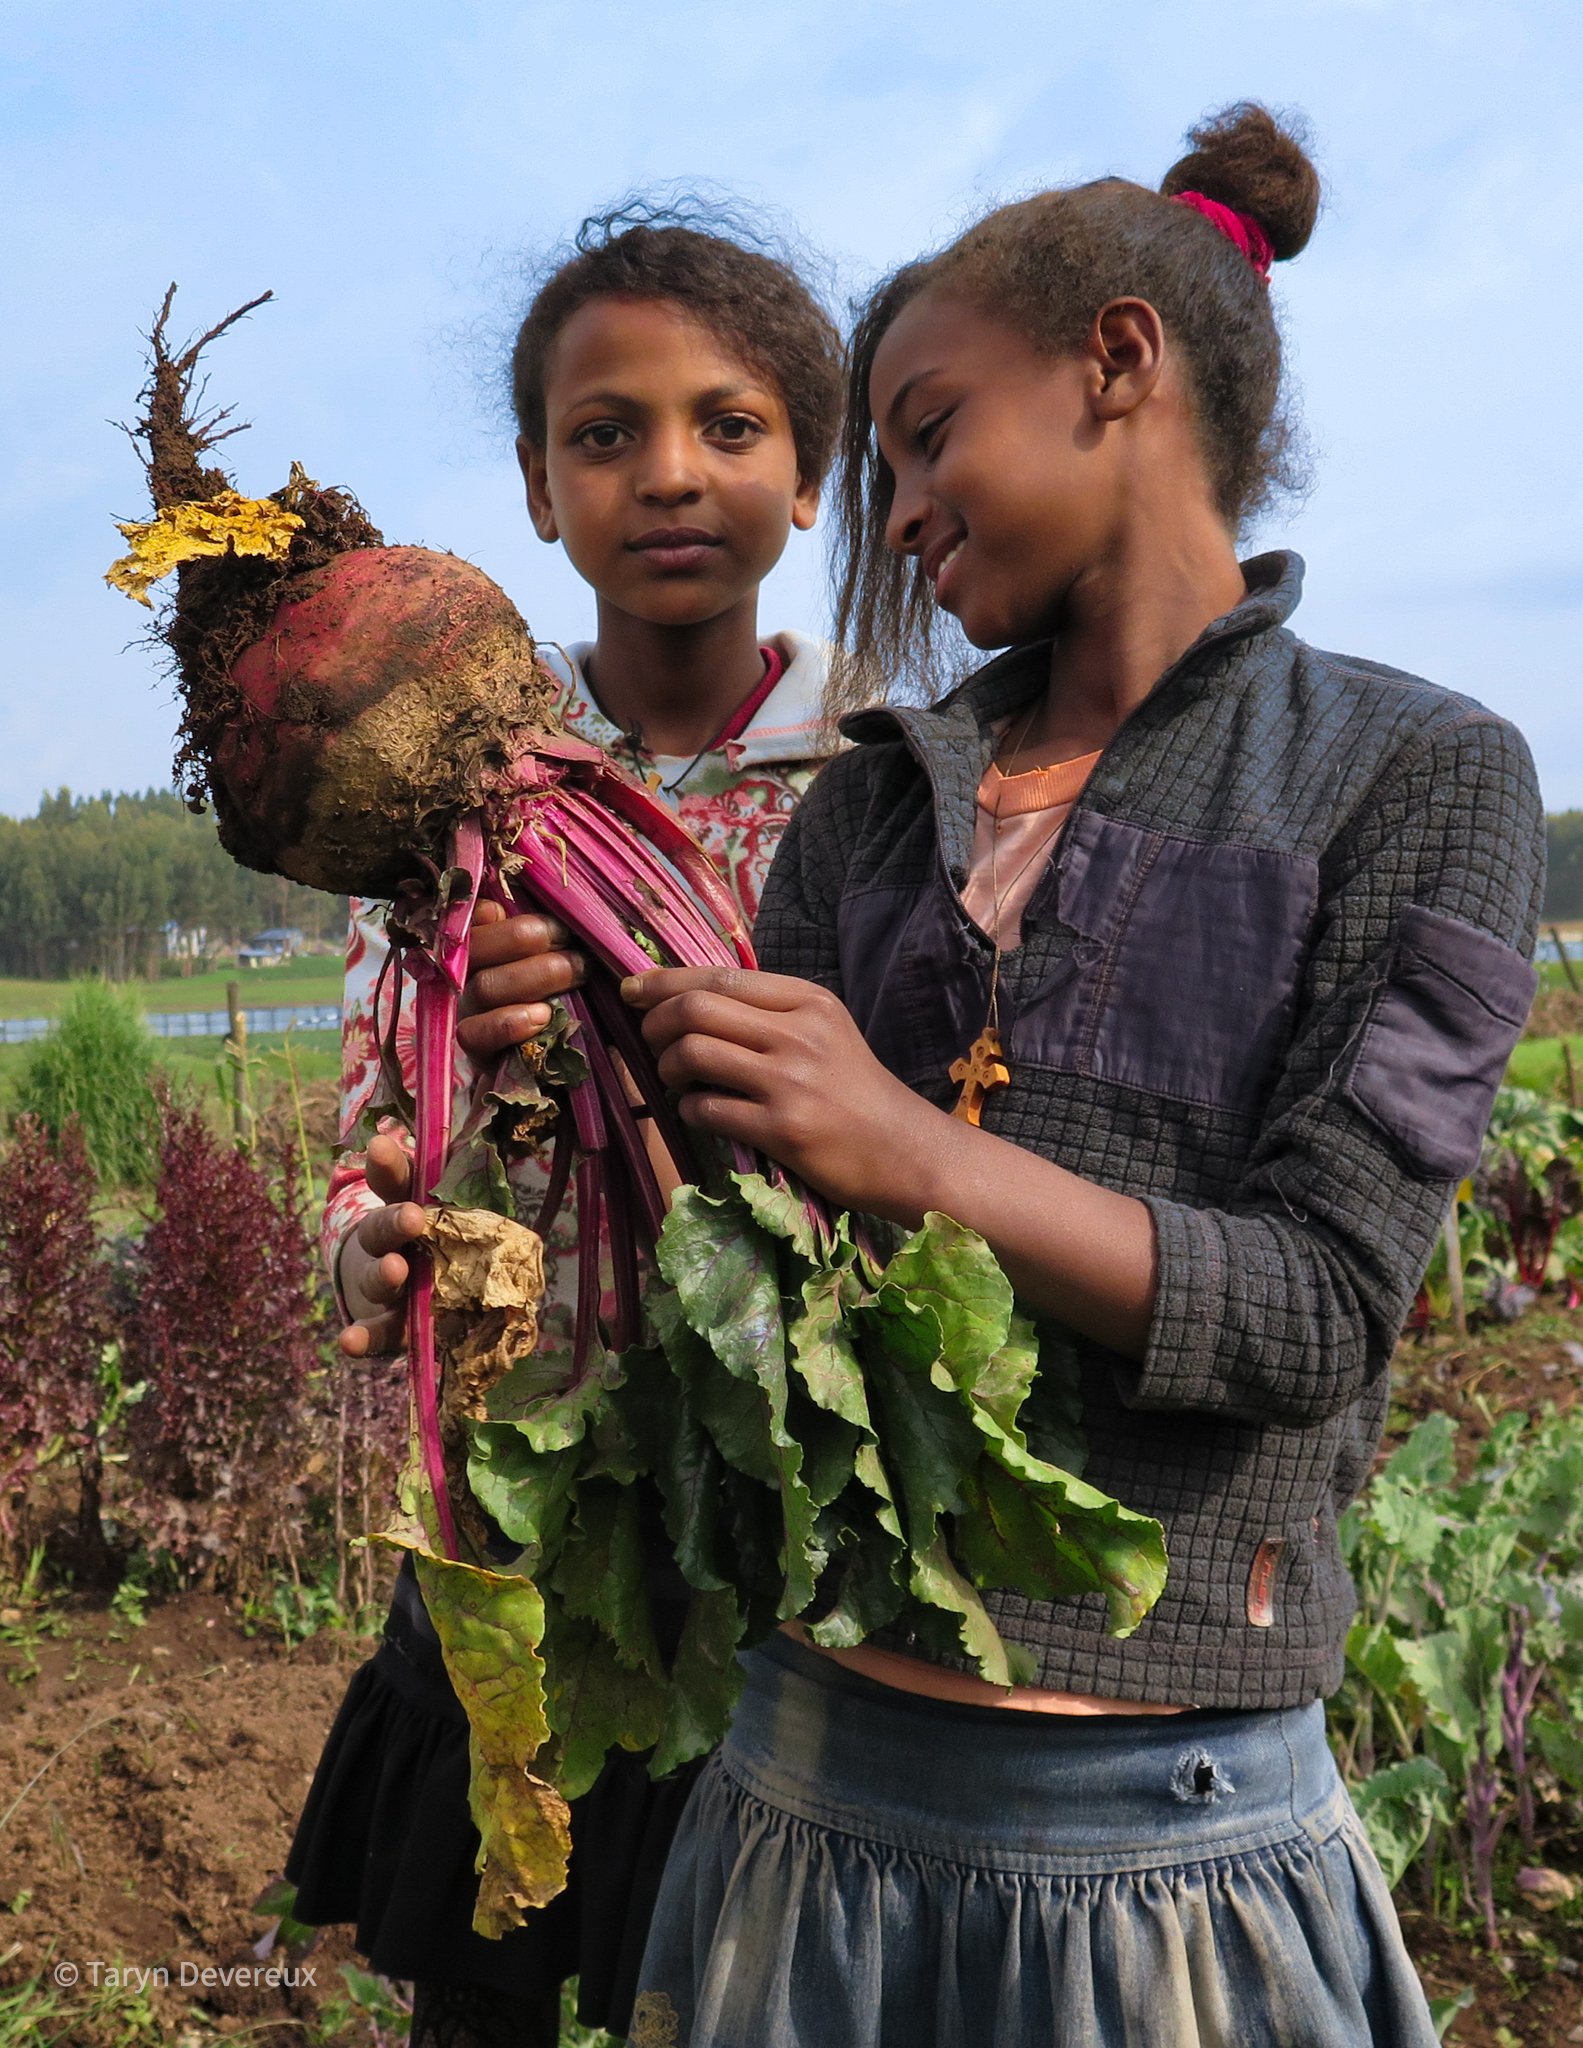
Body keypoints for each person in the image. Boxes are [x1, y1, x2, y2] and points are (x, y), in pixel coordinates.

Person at [615, 106, 1547, 2046]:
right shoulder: (869, 811)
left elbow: (1312, 1303)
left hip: (1167, 1870)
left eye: (929, 429)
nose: (894, 504)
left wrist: (900, 1147)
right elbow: (748, 1275)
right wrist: (610, 1072)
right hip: (802, 1830)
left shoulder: (1418, 778)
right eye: (881, 460)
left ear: (1119, 362)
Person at [283, 206, 844, 2048]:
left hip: (787, 1552)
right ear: (537, 488)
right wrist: (376, 1237)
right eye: (604, 434)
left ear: (815, 475)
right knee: (490, 1984)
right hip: (515, 1520)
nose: (668, 474)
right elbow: (369, 1151)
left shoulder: (884, 788)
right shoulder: (438, 820)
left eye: (730, 425)